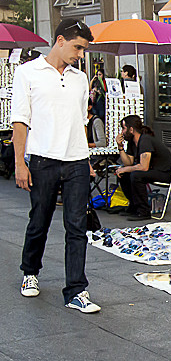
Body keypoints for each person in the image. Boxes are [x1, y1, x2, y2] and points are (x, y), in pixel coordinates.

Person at [11, 18, 100, 313]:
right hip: (43, 159)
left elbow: (79, 122)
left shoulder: (79, 78)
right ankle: (30, 272)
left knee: (77, 227)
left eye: (84, 49)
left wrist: (85, 160)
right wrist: (20, 164)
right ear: (60, 40)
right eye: (77, 47)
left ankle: (76, 290)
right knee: (39, 221)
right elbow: (20, 122)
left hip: (75, 161)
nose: (80, 54)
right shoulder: (27, 73)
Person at [114, 115, 171, 220]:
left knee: (136, 175)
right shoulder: (132, 142)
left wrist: (125, 169)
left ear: (131, 129)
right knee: (124, 174)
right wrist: (120, 147)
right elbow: (129, 163)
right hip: (152, 171)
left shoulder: (145, 140)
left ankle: (144, 211)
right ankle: (133, 207)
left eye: (124, 128)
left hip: (165, 172)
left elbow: (144, 167)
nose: (122, 132)